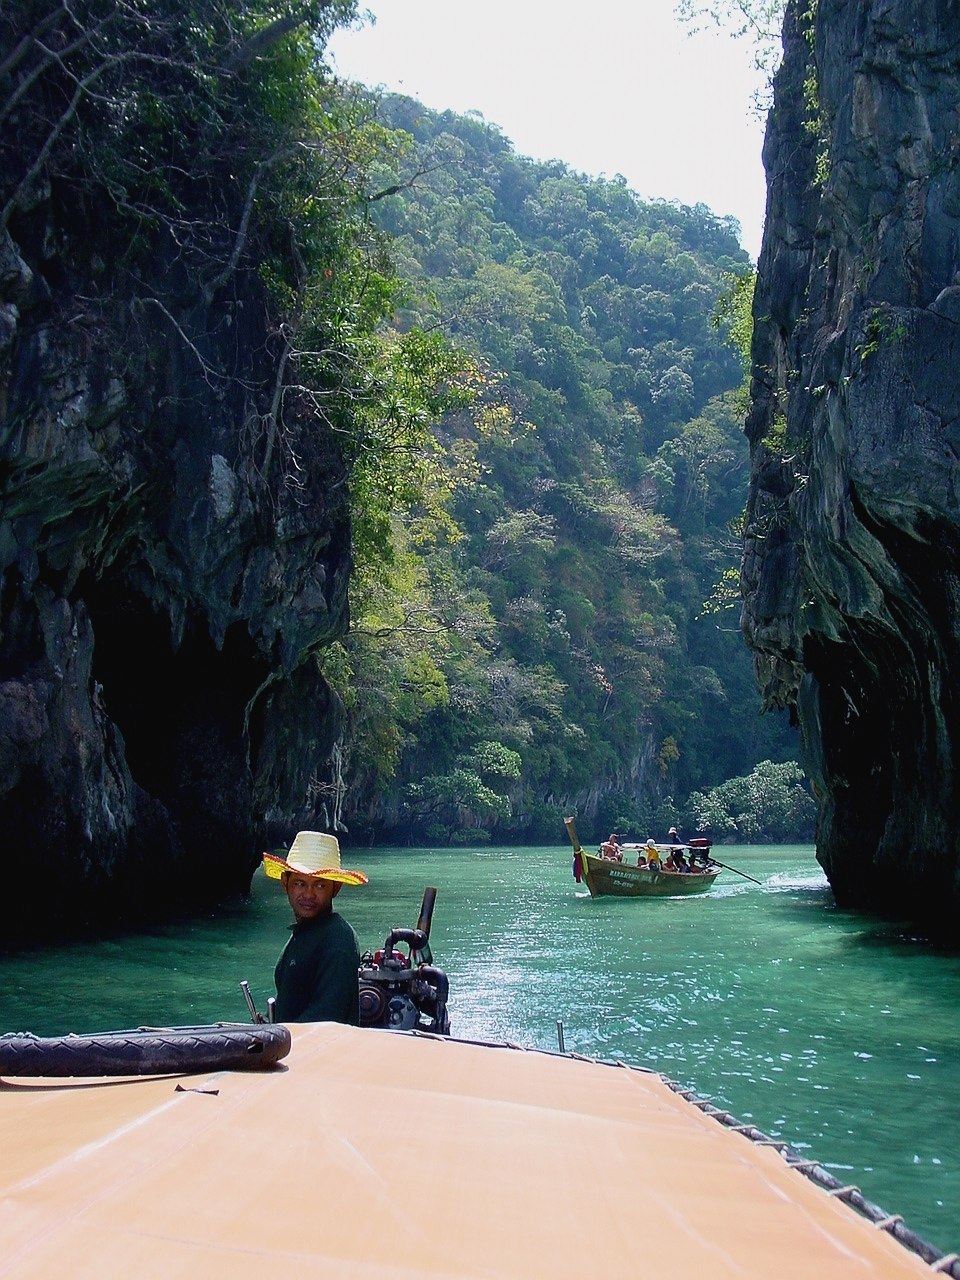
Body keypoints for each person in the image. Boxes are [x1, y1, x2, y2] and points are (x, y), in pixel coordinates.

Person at [262, 830, 368, 1024]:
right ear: (285, 883)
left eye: (320, 886)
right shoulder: (302, 933)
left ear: (335, 888)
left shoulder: (339, 939)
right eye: (300, 883)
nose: (308, 894)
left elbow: (326, 1018)